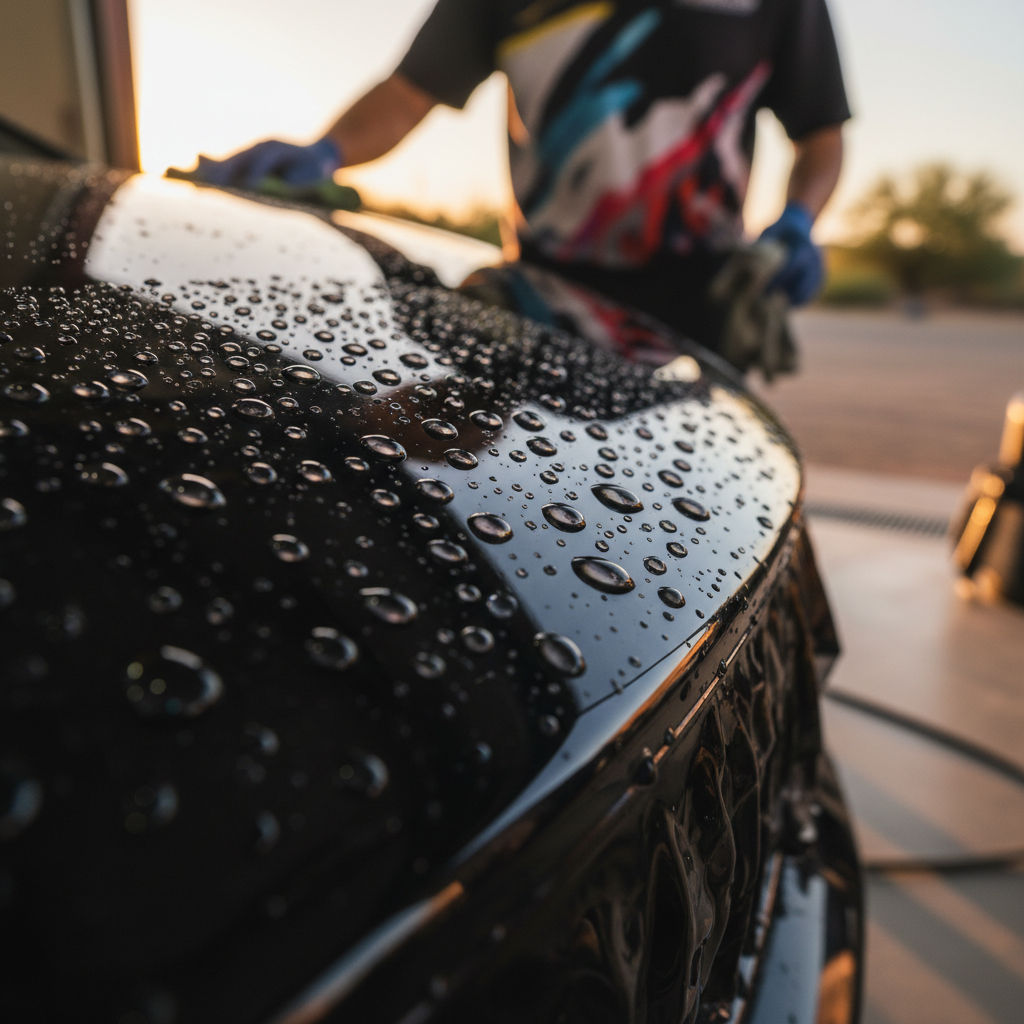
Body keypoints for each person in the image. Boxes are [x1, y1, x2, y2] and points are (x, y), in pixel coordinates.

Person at [197, 0, 849, 358]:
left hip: (700, 311)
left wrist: (797, 222)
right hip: (541, 299)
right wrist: (324, 150)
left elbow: (820, 134)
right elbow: (406, 94)